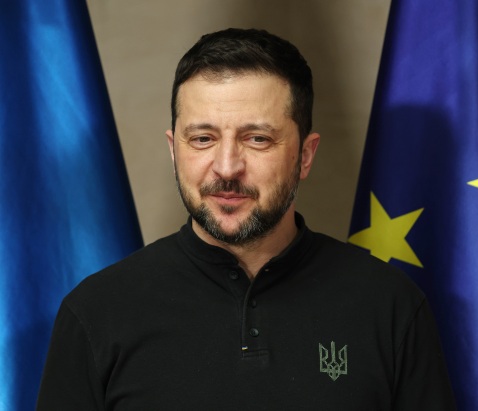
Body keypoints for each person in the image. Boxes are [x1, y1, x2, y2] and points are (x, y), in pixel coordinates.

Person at [37, 28, 456, 410]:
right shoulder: (95, 312)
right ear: (173, 149)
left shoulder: (390, 305)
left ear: (305, 155)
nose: (226, 167)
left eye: (257, 139)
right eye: (202, 139)